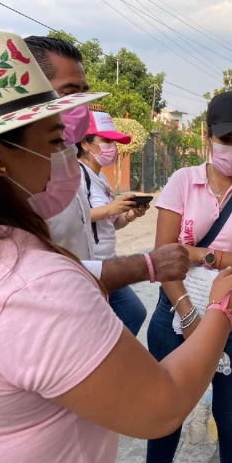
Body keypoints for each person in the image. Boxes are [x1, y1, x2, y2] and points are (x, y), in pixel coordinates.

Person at [0, 32, 232, 463]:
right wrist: (221, 309)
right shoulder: (33, 287)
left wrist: (146, 265)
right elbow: (159, 406)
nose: (65, 156)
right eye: (52, 143)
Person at [146, 91, 232, 463]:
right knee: (165, 412)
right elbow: (163, 259)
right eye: (226, 139)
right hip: (175, 313)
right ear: (207, 137)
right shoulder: (181, 181)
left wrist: (202, 255)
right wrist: (189, 316)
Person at [24, 35, 189, 290]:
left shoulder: (68, 165)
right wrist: (147, 265)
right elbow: (34, 270)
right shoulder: (20, 174)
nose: (80, 106)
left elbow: (79, 233)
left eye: (84, 94)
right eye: (69, 93)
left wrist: (128, 215)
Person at [77, 111, 148, 335]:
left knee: (134, 314)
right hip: (90, 266)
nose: (112, 147)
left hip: (108, 262)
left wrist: (129, 214)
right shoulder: (76, 175)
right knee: (119, 320)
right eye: (105, 140)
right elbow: (71, 217)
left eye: (114, 141)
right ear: (85, 144)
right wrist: (110, 208)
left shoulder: (101, 177)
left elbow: (111, 223)